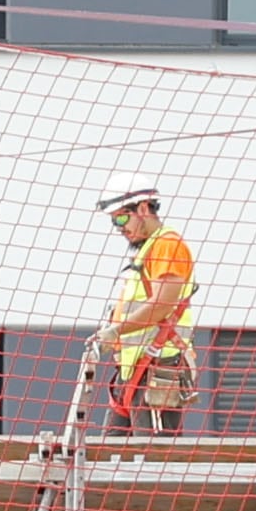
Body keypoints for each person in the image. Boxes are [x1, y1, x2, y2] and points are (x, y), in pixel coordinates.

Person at [91, 175, 200, 435]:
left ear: (142, 208)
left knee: (152, 461)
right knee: (109, 458)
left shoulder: (167, 245)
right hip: (134, 373)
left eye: (120, 218)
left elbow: (162, 303)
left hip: (157, 370)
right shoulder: (149, 250)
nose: (118, 227)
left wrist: (117, 330)